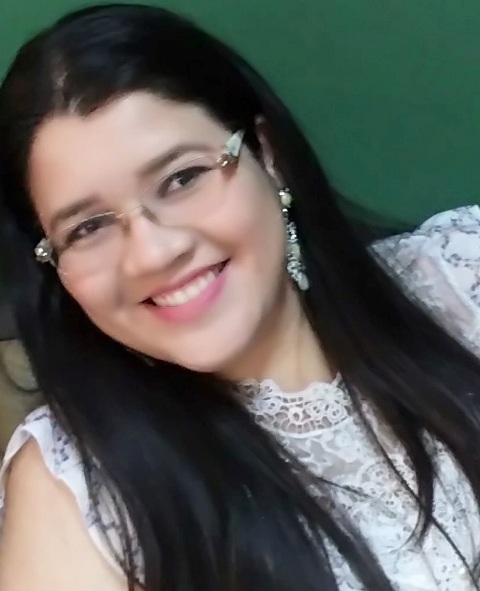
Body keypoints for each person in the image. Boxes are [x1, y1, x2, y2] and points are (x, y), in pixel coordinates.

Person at [0, 4, 480, 590]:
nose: (152, 253)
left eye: (182, 178)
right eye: (88, 228)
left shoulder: (459, 278)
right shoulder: (74, 494)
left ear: (267, 155)